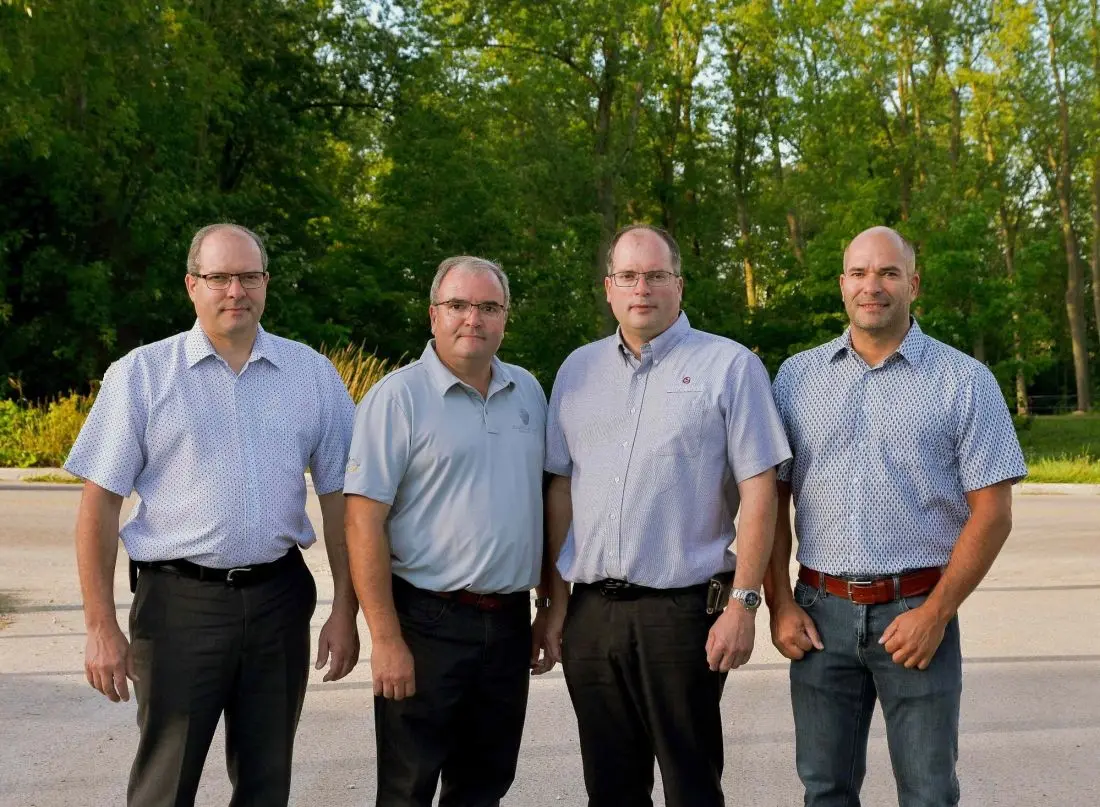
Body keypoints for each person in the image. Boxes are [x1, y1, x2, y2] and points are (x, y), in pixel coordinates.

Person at [64, 223, 360, 807]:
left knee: (265, 781)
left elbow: (341, 502)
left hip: (279, 601)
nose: (235, 290)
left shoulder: (312, 376)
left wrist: (346, 608)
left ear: (266, 284)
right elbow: (98, 506)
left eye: (249, 276)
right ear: (191, 285)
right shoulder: (142, 375)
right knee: (165, 785)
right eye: (219, 277)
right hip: (179, 606)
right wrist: (101, 626)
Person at [765, 225, 1027, 807]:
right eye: (859, 273)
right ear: (841, 286)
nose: (872, 286)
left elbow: (993, 512)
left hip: (917, 612)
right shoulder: (796, 378)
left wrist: (937, 613)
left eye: (887, 273)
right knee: (824, 790)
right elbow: (771, 500)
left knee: (929, 793)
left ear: (913, 283)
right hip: (817, 615)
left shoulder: (964, 381)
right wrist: (779, 604)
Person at [541, 224, 792, 807]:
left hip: (683, 615)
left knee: (691, 784)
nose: (641, 288)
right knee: (609, 786)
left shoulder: (728, 367)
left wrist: (745, 604)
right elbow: (560, 490)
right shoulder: (576, 371)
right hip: (592, 612)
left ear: (679, 285)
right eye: (628, 276)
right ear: (608, 288)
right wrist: (552, 605)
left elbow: (761, 491)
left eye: (656, 276)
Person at [343, 256, 550, 807]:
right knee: (407, 787)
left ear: (506, 318)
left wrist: (552, 606)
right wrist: (386, 640)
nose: (472, 320)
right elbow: (363, 522)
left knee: (484, 785)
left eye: (488, 307)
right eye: (458, 306)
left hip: (508, 622)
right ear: (433, 314)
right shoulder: (397, 399)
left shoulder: (529, 392)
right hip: (425, 622)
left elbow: (550, 504)